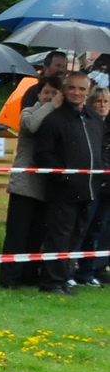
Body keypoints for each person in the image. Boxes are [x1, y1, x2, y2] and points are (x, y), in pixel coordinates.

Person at [34, 72, 103, 296]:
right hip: (62, 191)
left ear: (88, 91)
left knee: (76, 235)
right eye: (72, 88)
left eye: (81, 89)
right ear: (65, 90)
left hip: (89, 189)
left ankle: (64, 278)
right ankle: (51, 281)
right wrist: (62, 177)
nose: (76, 93)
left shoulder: (95, 119)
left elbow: (99, 151)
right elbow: (43, 154)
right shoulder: (54, 119)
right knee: (58, 236)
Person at [2, 75, 60, 289]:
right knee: (17, 234)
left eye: (55, 93)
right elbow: (32, 125)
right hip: (24, 185)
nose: (50, 97)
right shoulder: (29, 112)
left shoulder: (58, 117)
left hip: (45, 187)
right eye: (47, 92)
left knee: (35, 235)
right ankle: (9, 277)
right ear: (39, 94)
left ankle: (28, 274)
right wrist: (51, 105)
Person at [78, 85, 110, 288]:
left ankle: (90, 270)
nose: (102, 105)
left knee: (99, 228)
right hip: (91, 184)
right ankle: (74, 268)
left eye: (106, 101)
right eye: (98, 101)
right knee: (84, 227)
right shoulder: (89, 123)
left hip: (108, 188)